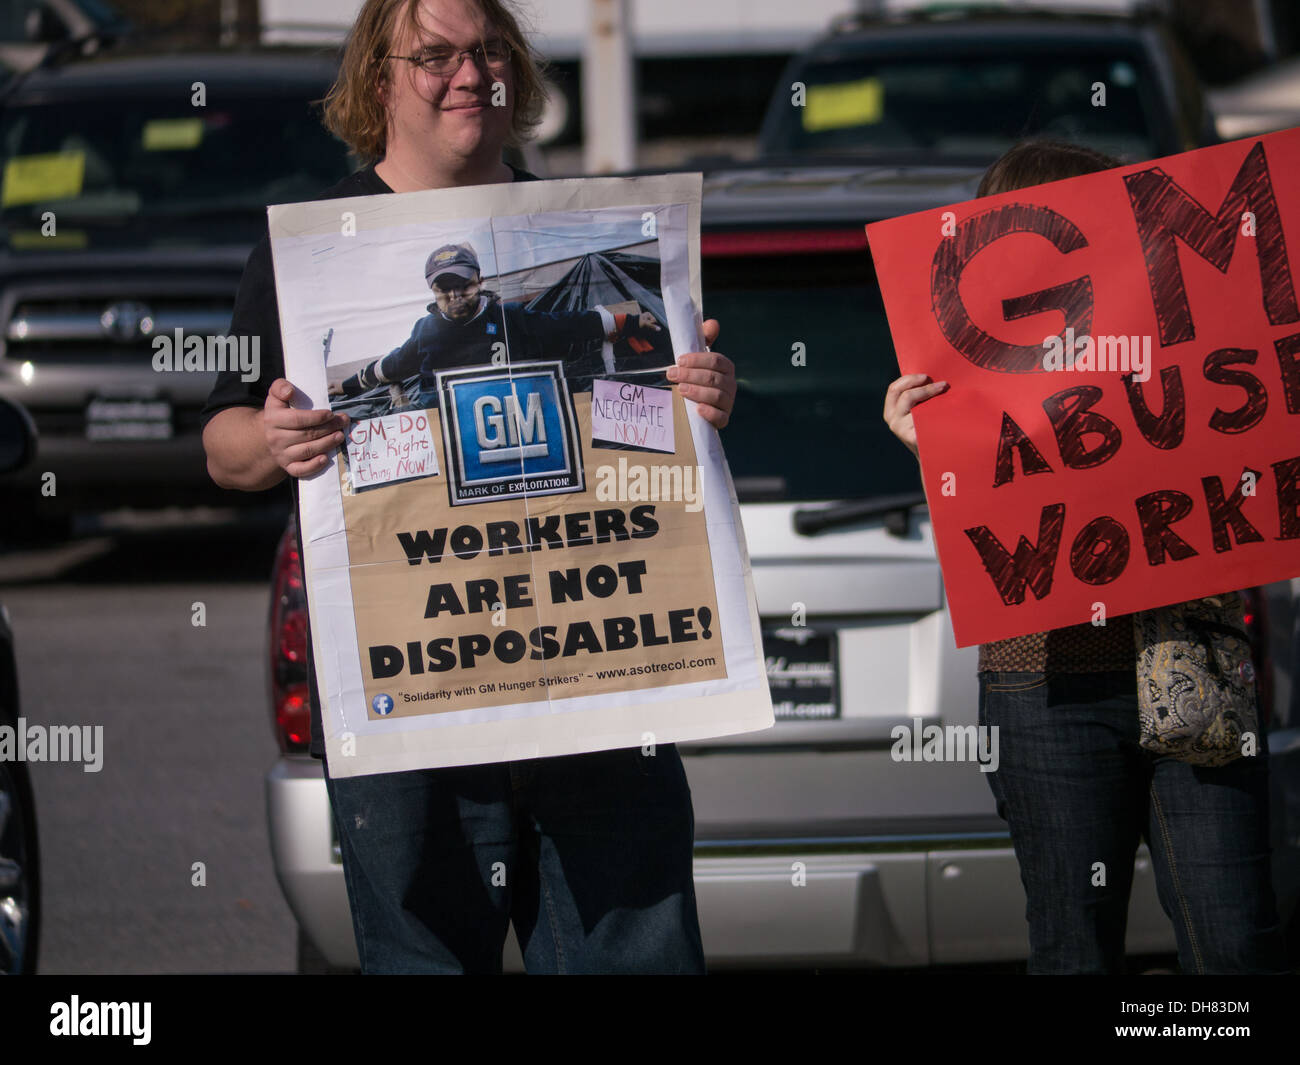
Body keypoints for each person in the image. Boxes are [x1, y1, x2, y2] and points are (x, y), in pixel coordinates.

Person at [201, 0, 737, 974]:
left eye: (489, 51)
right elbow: (221, 443)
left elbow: (635, 366)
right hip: (410, 693)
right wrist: (271, 437)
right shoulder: (306, 256)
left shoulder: (581, 228)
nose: (468, 74)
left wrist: (701, 385)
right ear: (378, 81)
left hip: (598, 683)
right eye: (435, 55)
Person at [882, 139, 1287, 975]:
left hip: (1193, 662)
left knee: (1237, 945)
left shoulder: (1173, 342)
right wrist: (933, 449)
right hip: (1046, 685)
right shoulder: (979, 376)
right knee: (1073, 948)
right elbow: (996, 522)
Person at [326, 240, 661, 406]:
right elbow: (392, 365)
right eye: (445, 289)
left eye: (464, 285)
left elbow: (567, 324)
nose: (455, 295)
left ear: (479, 280)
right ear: (433, 291)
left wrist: (630, 322)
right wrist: (348, 386)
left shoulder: (508, 317)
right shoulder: (425, 332)